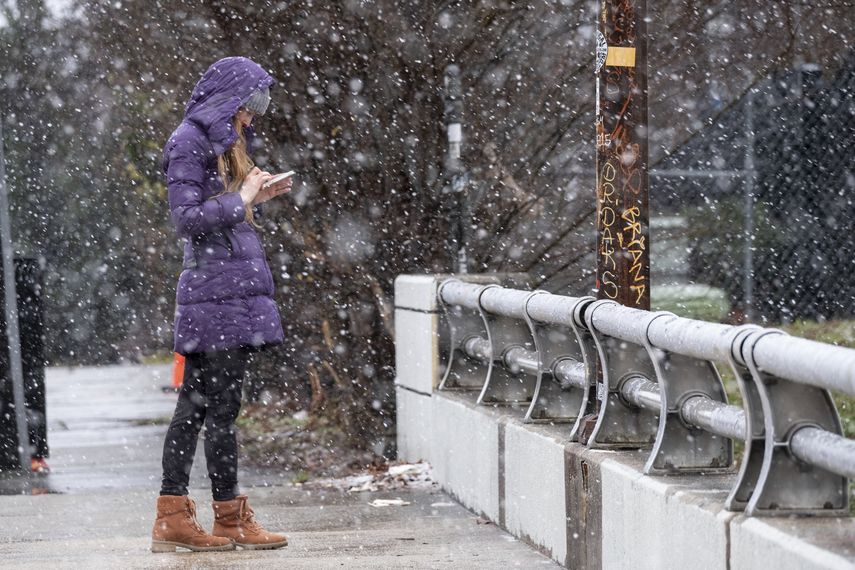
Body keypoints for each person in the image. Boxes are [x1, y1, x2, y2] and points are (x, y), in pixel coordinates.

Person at [151, 57, 292, 553]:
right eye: (249, 107)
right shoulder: (188, 141)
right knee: (211, 408)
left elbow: (222, 211)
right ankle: (210, 516)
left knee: (204, 407)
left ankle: (193, 516)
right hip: (215, 295)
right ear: (229, 100)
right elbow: (187, 218)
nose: (252, 118)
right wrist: (242, 198)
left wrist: (256, 196)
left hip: (226, 292)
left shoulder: (221, 142)